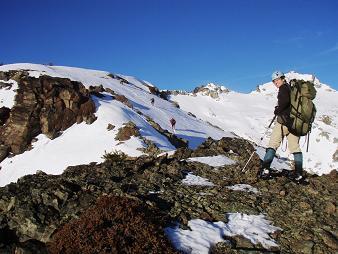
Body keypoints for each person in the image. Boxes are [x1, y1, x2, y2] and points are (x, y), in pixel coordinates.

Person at [260, 71, 304, 183]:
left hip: (283, 122)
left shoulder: (283, 88)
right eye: (274, 81)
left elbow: (284, 102)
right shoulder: (291, 89)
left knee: (273, 144)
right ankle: (298, 174)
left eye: (277, 79)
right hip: (295, 124)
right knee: (295, 147)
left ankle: (265, 169)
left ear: (283, 78)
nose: (275, 82)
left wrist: (277, 109)